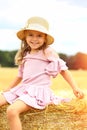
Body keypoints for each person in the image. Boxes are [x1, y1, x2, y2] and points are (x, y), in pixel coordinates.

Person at [0, 16, 84, 130]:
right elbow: (19, 76)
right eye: (31, 34)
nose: (35, 39)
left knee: (12, 110)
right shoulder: (24, 54)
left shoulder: (47, 52)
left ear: (45, 38)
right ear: (25, 36)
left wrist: (75, 88)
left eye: (39, 35)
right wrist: (8, 89)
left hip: (37, 92)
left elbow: (63, 70)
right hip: (23, 89)